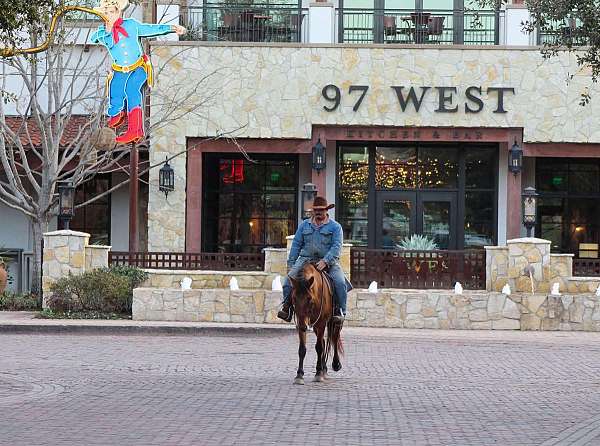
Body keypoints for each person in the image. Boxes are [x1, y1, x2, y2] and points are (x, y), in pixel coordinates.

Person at [90, 0, 186, 144]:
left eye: (112, 11)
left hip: (138, 67)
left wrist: (172, 28)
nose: (110, 15)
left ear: (119, 11)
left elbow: (151, 29)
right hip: (119, 70)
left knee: (131, 89)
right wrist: (108, 31)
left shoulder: (131, 25)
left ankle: (135, 130)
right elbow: (95, 38)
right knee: (115, 90)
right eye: (106, 12)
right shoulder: (103, 33)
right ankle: (117, 113)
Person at [278, 196, 352, 324]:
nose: (318, 212)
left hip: (328, 262)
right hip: (305, 260)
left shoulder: (335, 227)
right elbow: (296, 244)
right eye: (316, 210)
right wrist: (291, 264)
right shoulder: (304, 226)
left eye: (321, 210)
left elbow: (336, 247)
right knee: (287, 283)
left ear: (326, 210)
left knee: (340, 283)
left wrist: (325, 261)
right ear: (313, 211)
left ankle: (340, 312)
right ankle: (287, 308)